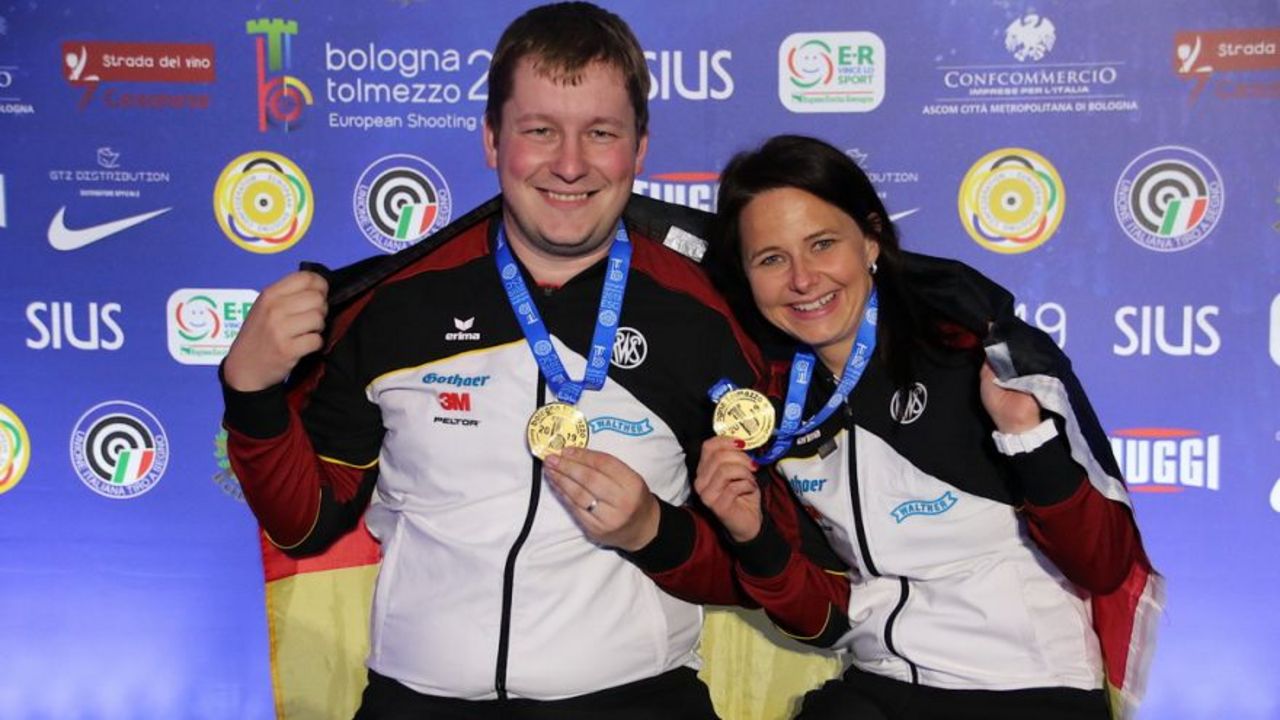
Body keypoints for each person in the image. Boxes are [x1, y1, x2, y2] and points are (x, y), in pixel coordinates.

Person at [219, 3, 761, 718]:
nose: (570, 164)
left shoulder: (711, 313)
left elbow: (763, 561)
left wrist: (654, 532)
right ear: (490, 139)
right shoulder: (394, 303)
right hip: (420, 701)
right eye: (540, 131)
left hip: (640, 700)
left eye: (600, 133)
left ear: (639, 146)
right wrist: (249, 391)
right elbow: (307, 522)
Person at [629, 135, 1162, 720]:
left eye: (823, 244)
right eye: (772, 259)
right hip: (880, 681)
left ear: (872, 239)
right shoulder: (776, 402)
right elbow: (823, 621)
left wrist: (1027, 437)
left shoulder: (967, 351)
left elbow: (1104, 564)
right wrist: (751, 535)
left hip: (1025, 686)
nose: (803, 279)